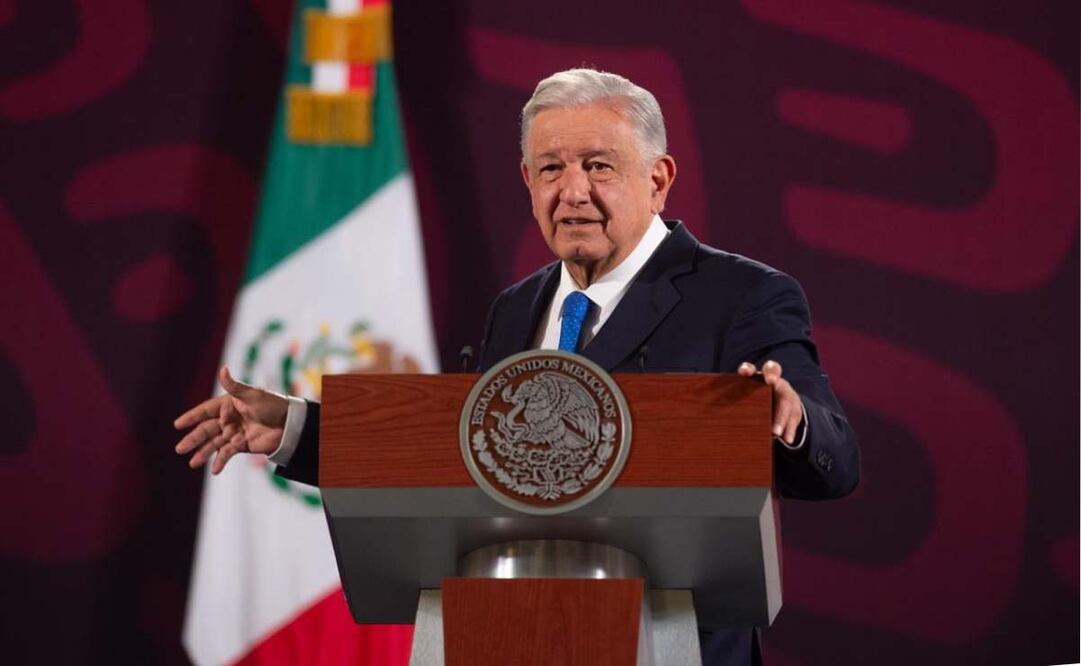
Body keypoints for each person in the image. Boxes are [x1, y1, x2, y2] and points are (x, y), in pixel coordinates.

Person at [175, 68, 859, 666]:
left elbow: (834, 454)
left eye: (599, 165)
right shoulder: (516, 309)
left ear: (658, 180)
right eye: (551, 168)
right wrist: (292, 426)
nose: (573, 191)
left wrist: (788, 422)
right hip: (502, 635)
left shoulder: (740, 295)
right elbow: (467, 459)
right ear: (528, 182)